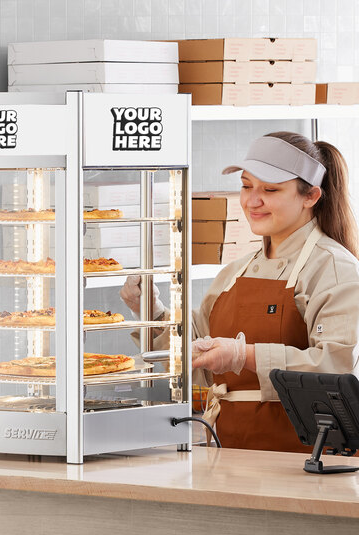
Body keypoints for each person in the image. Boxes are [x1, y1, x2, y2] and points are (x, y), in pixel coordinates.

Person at [120, 131, 359, 452]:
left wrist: (242, 355)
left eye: (270, 189)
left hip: (303, 460)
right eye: (246, 186)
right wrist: (150, 311)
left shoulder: (333, 268)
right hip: (229, 452)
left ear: (311, 196)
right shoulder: (235, 272)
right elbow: (194, 353)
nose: (252, 200)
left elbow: (334, 369)